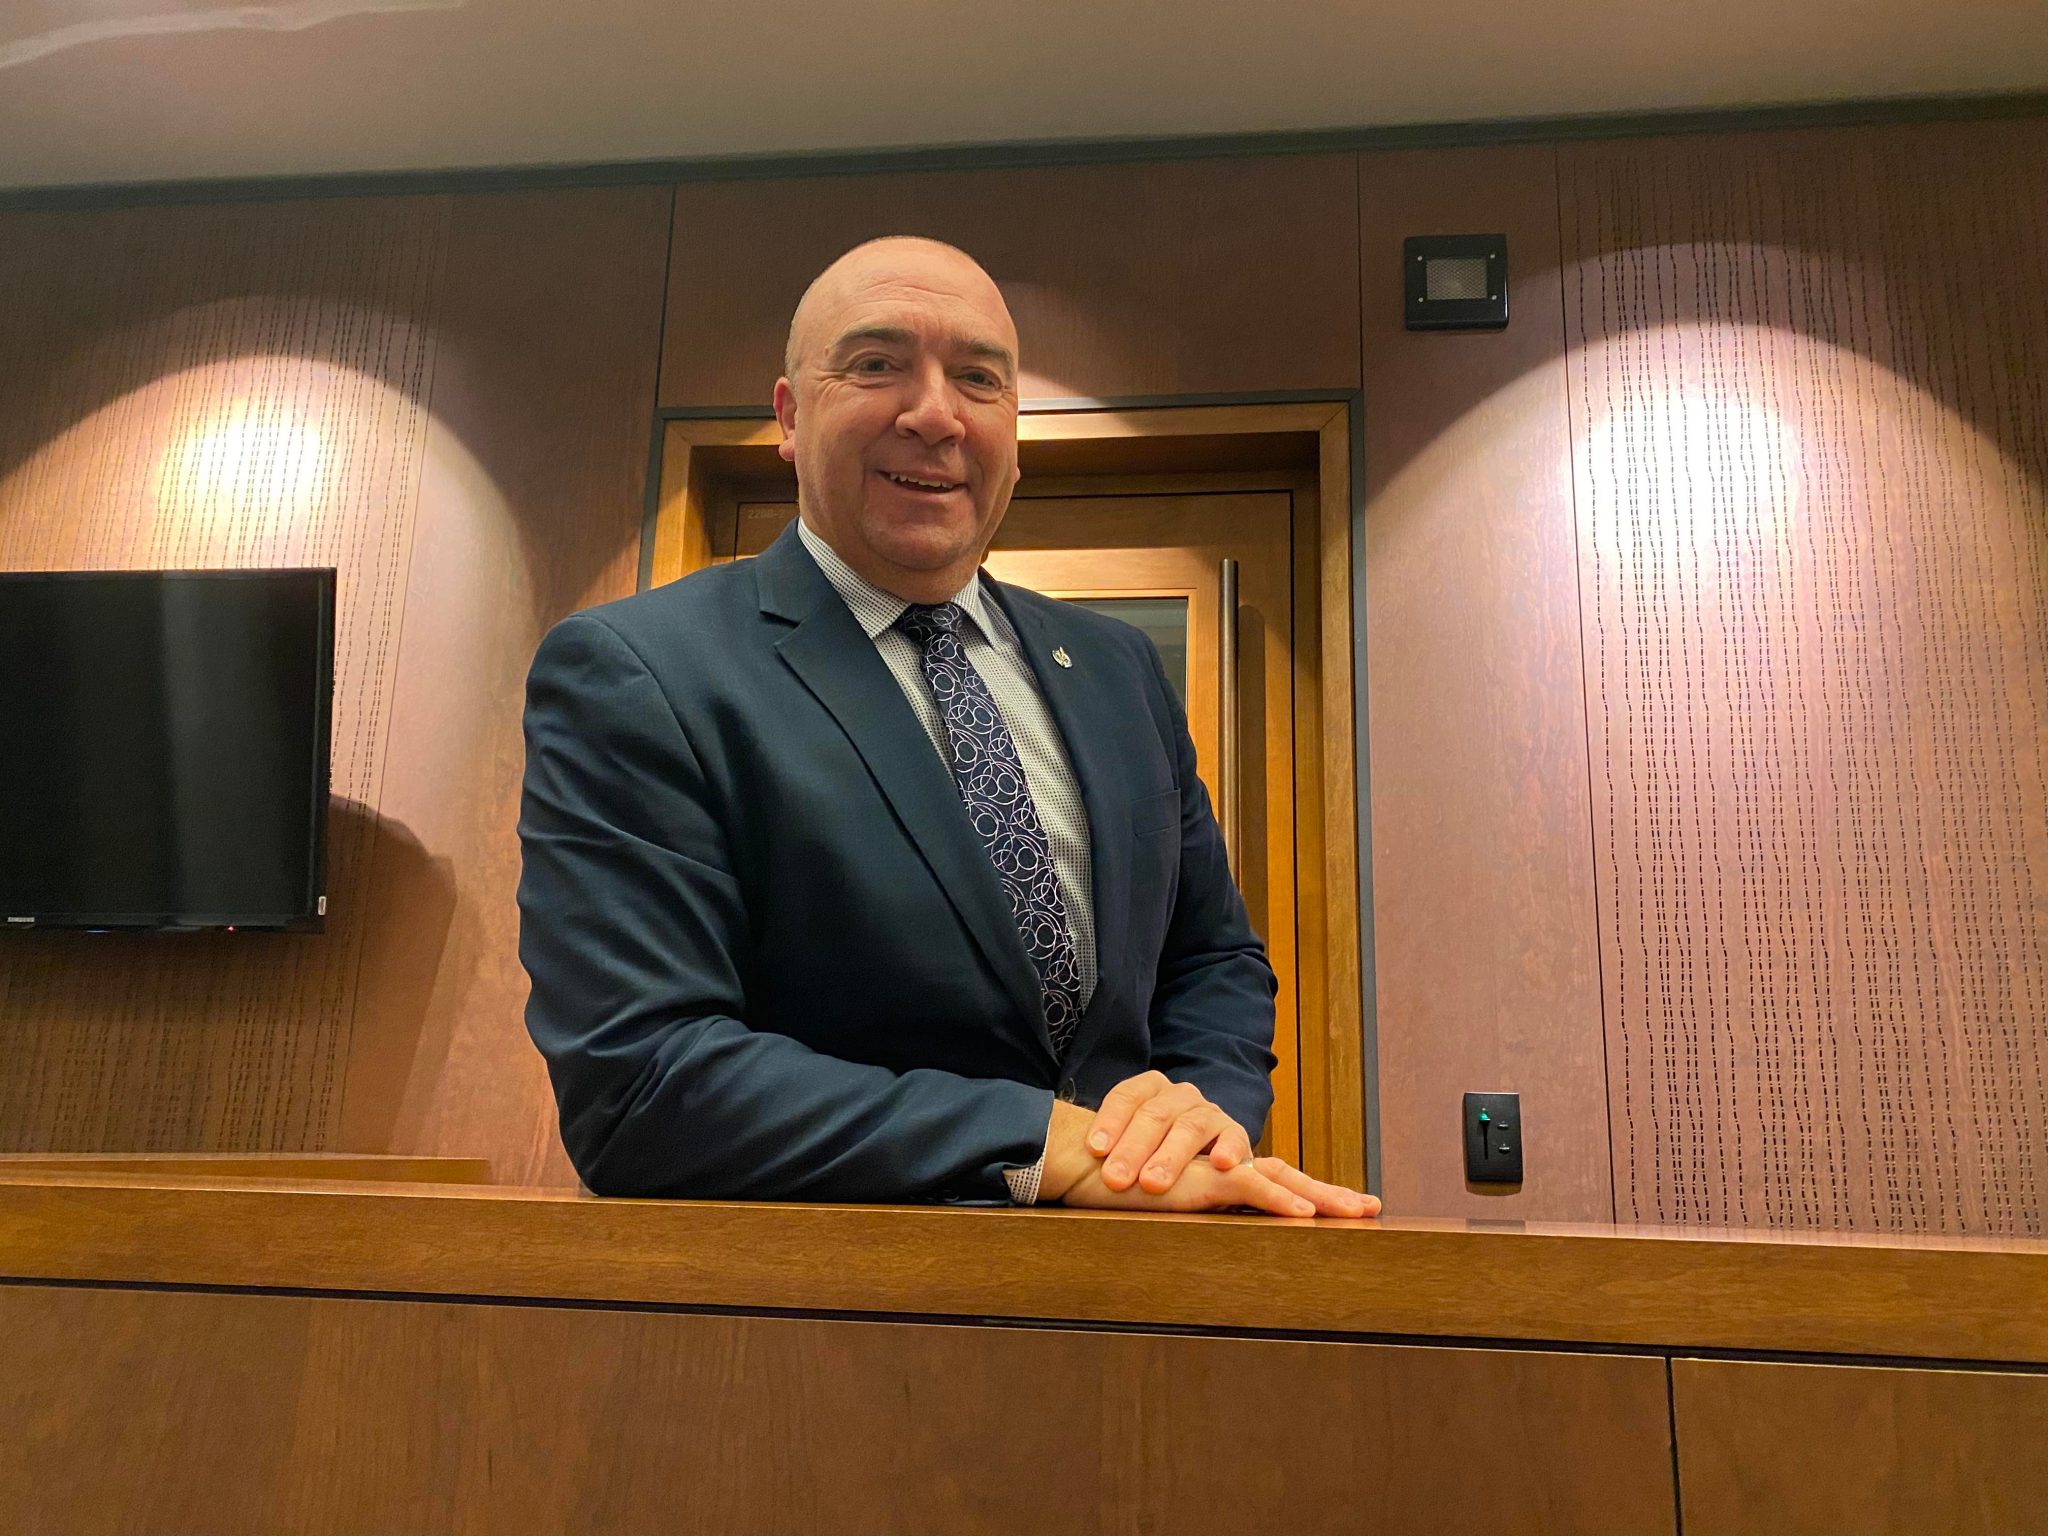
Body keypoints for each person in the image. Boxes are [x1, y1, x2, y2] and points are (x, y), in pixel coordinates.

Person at [518, 236, 1377, 1220]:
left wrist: (1189, 1127)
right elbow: (642, 1082)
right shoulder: (639, 671)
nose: (935, 414)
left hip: (1142, 1288)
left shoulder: (1118, 669)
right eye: (876, 363)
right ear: (790, 417)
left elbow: (1210, 959)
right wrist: (1041, 1141)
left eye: (977, 378)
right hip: (815, 1301)